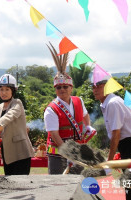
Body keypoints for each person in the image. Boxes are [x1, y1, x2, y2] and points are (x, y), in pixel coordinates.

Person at [92, 77, 131, 199]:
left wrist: (110, 162)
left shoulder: (113, 103)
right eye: (93, 87)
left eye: (99, 86)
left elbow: (116, 134)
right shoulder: (107, 103)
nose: (95, 90)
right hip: (130, 145)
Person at [44, 44, 93, 175]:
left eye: (65, 86)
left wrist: (88, 127)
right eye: (58, 87)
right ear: (55, 89)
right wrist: (67, 154)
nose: (62, 90)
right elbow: (54, 134)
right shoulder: (51, 109)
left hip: (77, 150)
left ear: (71, 87)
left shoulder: (78, 100)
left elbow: (85, 115)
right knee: (57, 185)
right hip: (58, 153)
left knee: (77, 183)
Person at [0, 74, 34, 175]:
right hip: (7, 152)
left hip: (20, 152)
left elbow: (10, 115)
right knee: (9, 184)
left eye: (7, 89)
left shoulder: (17, 103)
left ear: (13, 90)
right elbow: (1, 129)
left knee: (20, 185)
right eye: (1, 89)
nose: (3, 92)